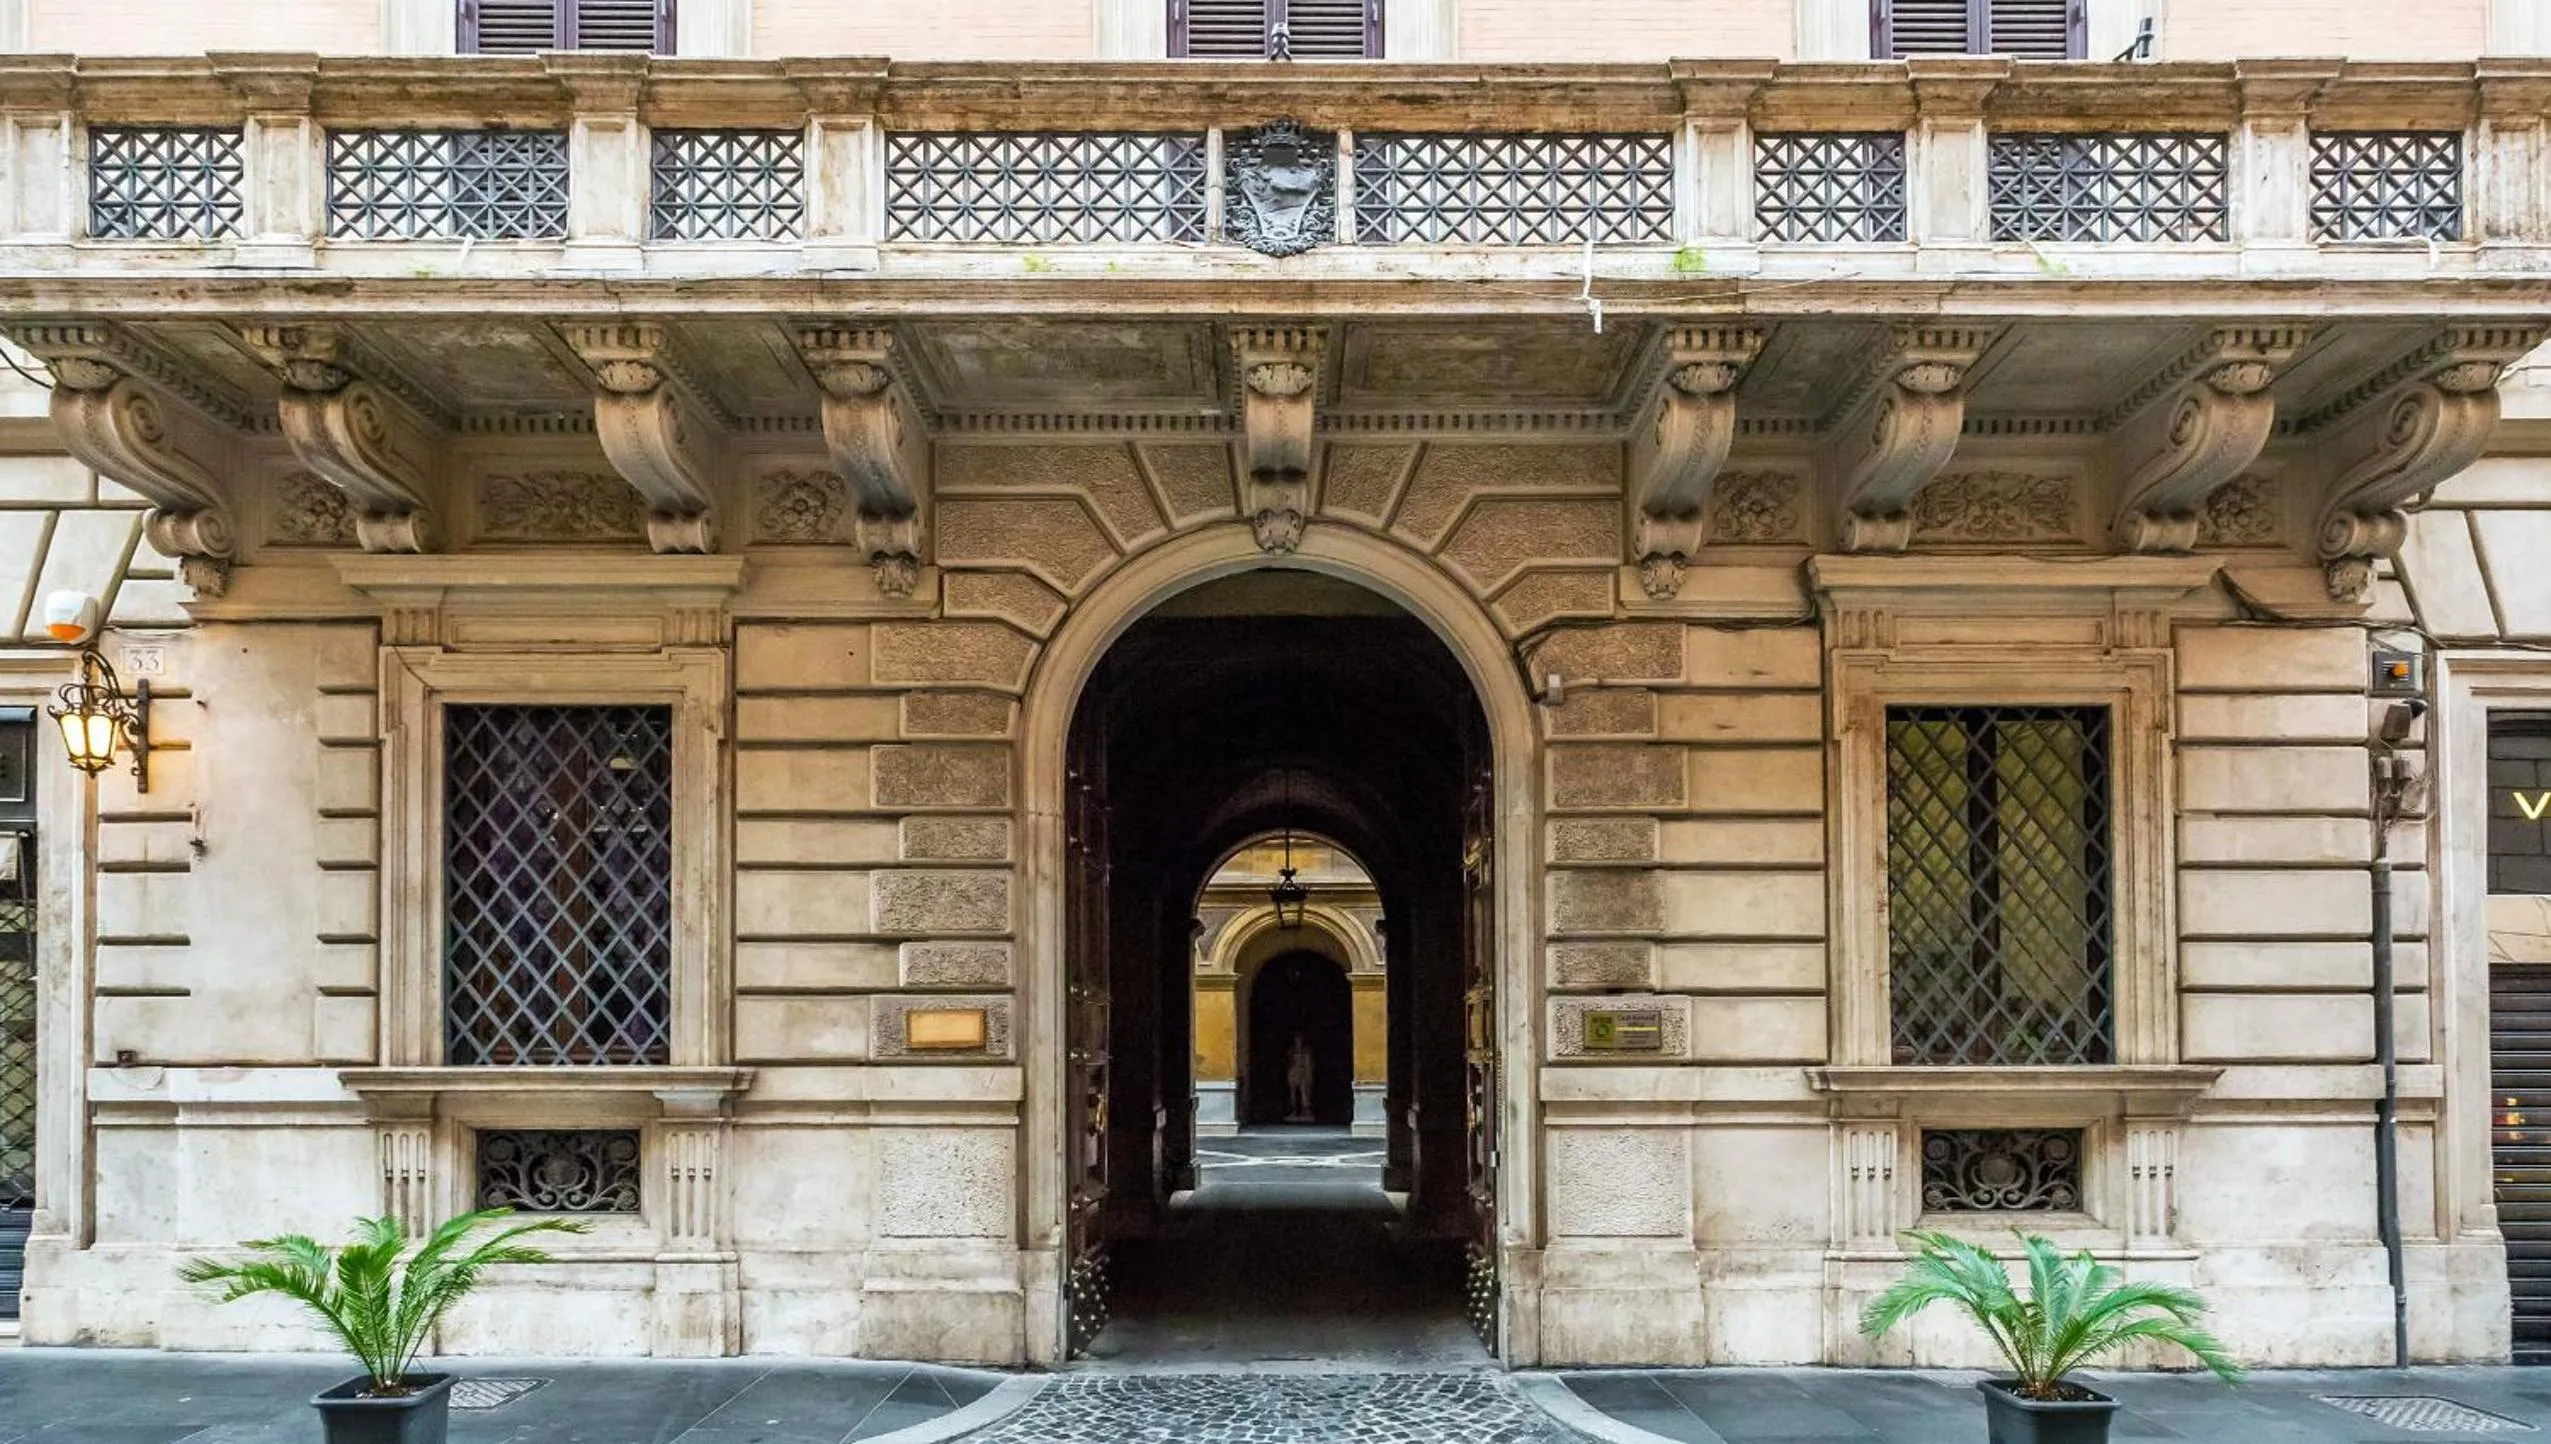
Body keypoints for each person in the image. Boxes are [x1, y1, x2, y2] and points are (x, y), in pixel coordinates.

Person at [1285, 1032, 1314, 1122]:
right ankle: (1293, 1109)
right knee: (1292, 1094)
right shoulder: (1291, 1050)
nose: (1298, 1042)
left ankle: (1305, 1110)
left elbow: (1308, 1064)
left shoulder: (1306, 1051)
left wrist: (1308, 1074)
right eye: (1296, 1040)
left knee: (1304, 1093)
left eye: (1299, 1040)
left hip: (1303, 1073)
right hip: (1293, 1073)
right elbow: (1288, 1062)